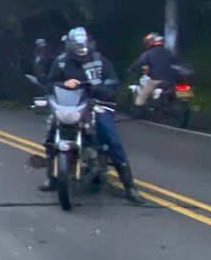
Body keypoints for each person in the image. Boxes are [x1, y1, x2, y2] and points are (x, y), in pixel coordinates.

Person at [40, 27, 141, 203]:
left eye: (84, 46)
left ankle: (129, 186)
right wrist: (64, 83)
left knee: (110, 137)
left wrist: (93, 88)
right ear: (69, 46)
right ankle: (52, 176)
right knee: (51, 130)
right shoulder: (61, 62)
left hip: (98, 104)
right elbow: (49, 84)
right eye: (77, 46)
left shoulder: (100, 61)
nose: (81, 50)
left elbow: (113, 85)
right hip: (69, 105)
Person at [129, 33, 179, 109]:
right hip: (171, 79)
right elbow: (176, 62)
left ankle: (140, 107)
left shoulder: (148, 54)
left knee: (140, 98)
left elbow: (138, 63)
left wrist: (130, 69)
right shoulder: (168, 52)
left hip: (156, 80)